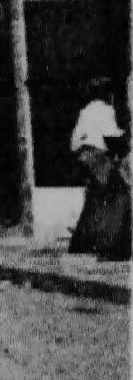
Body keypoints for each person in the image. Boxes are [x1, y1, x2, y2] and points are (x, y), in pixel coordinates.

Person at [69, 78, 130, 260]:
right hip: (94, 155)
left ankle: (82, 242)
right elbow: (111, 136)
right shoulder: (105, 109)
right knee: (119, 191)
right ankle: (109, 243)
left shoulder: (86, 110)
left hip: (81, 155)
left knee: (96, 196)